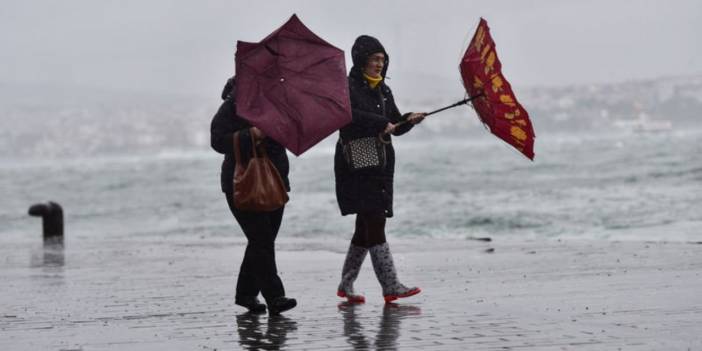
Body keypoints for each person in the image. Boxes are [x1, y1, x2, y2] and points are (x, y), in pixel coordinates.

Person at [335, 35, 426, 303]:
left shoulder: (384, 90)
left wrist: (409, 120)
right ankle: (391, 285)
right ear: (362, 60)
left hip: (382, 162)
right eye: (375, 59)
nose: (379, 64)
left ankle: (345, 285)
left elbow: (394, 125)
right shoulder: (347, 87)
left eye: (383, 60)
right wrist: (379, 123)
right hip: (356, 164)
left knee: (365, 225)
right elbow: (346, 117)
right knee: (375, 220)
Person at [210, 77, 297, 315]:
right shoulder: (235, 101)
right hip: (241, 183)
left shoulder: (280, 101)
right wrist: (252, 134)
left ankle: (246, 293)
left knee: (262, 241)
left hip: (275, 180)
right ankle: (275, 297)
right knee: (261, 240)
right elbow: (217, 139)